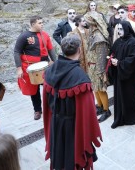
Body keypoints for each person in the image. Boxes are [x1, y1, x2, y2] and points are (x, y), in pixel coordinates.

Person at [43, 35, 102, 170]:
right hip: (73, 129)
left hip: (55, 123)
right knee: (72, 159)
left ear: (62, 50)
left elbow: (46, 104)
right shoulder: (80, 77)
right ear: (80, 50)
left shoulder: (50, 70)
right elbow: (88, 115)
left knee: (59, 156)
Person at [14, 16, 56, 120]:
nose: (42, 24)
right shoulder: (24, 36)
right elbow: (17, 52)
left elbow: (50, 49)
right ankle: (37, 110)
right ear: (33, 24)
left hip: (45, 66)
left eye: (42, 22)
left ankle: (53, 107)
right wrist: (19, 68)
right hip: (31, 68)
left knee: (50, 87)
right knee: (34, 90)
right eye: (39, 23)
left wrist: (55, 62)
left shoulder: (45, 35)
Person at [109, 21, 135, 129]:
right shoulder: (118, 41)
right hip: (119, 73)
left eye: (121, 29)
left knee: (129, 95)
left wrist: (119, 63)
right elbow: (112, 52)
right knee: (119, 95)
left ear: (127, 29)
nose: (119, 31)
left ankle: (131, 116)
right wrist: (111, 59)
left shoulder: (133, 42)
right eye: (118, 29)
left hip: (129, 76)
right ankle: (120, 117)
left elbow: (131, 59)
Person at [84, 11, 111, 122]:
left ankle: (106, 110)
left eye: (86, 20)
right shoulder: (92, 33)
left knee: (100, 89)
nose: (84, 22)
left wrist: (101, 72)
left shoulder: (99, 37)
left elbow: (101, 56)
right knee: (95, 88)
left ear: (92, 22)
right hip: (91, 67)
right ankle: (99, 106)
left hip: (97, 68)